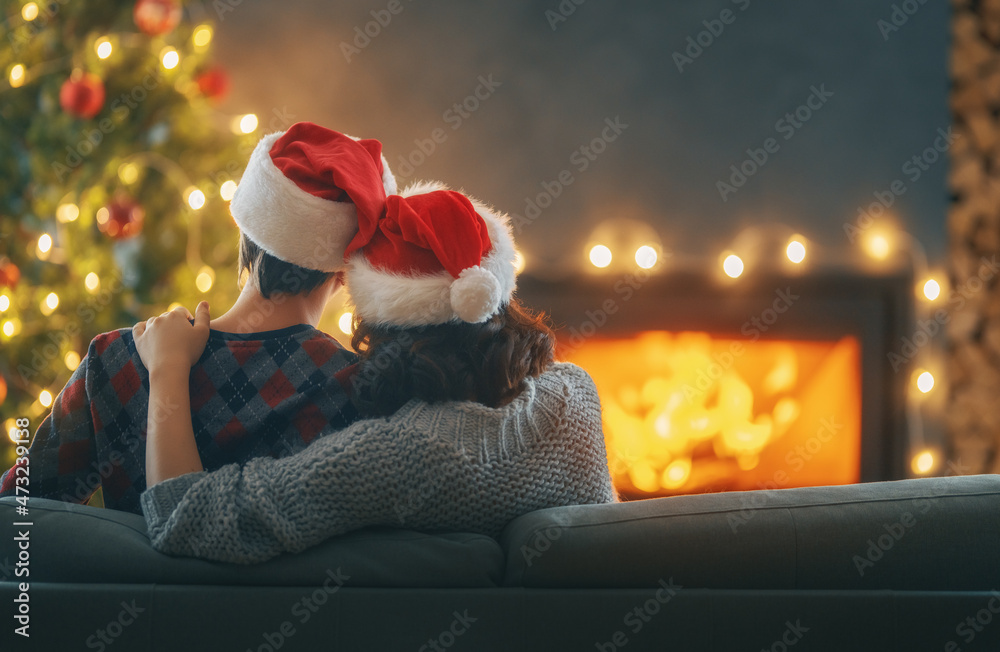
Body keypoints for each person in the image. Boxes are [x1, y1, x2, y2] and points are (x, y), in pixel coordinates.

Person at [134, 181, 618, 564]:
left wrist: (169, 367)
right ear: (499, 295)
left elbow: (186, 519)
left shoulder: (390, 457)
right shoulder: (577, 394)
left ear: (381, 328)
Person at [0, 122, 397, 512]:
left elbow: (17, 512)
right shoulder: (354, 387)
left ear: (244, 228)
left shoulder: (115, 358)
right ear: (347, 271)